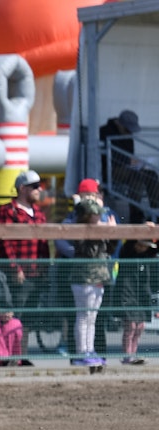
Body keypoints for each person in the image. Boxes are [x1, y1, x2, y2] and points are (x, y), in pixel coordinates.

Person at [0, 169, 49, 353]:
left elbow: (44, 244)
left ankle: (20, 354)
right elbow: (4, 242)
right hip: (17, 275)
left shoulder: (39, 213)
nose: (38, 190)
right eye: (34, 186)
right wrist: (15, 268)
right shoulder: (7, 211)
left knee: (28, 318)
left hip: (36, 274)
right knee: (13, 314)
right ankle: (8, 355)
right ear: (22, 188)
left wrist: (45, 268)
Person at [69, 199, 113, 367]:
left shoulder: (98, 229)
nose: (99, 217)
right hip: (84, 278)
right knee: (83, 316)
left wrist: (109, 234)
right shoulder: (80, 230)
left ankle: (90, 349)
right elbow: (88, 252)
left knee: (92, 317)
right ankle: (82, 352)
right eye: (95, 214)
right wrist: (100, 235)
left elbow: (107, 250)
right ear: (87, 216)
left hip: (99, 277)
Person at [99, 109, 159, 223]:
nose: (129, 133)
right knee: (135, 178)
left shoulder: (127, 135)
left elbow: (129, 154)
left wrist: (134, 162)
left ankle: (155, 209)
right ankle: (135, 214)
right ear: (119, 124)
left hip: (128, 168)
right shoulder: (104, 131)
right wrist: (128, 160)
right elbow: (108, 155)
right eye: (127, 129)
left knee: (152, 175)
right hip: (111, 170)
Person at [116, 238, 158, 364]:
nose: (143, 248)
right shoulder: (127, 253)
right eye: (142, 245)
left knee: (140, 326)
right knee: (130, 326)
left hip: (142, 295)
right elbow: (129, 242)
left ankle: (134, 353)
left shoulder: (147, 255)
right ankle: (127, 356)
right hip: (128, 293)